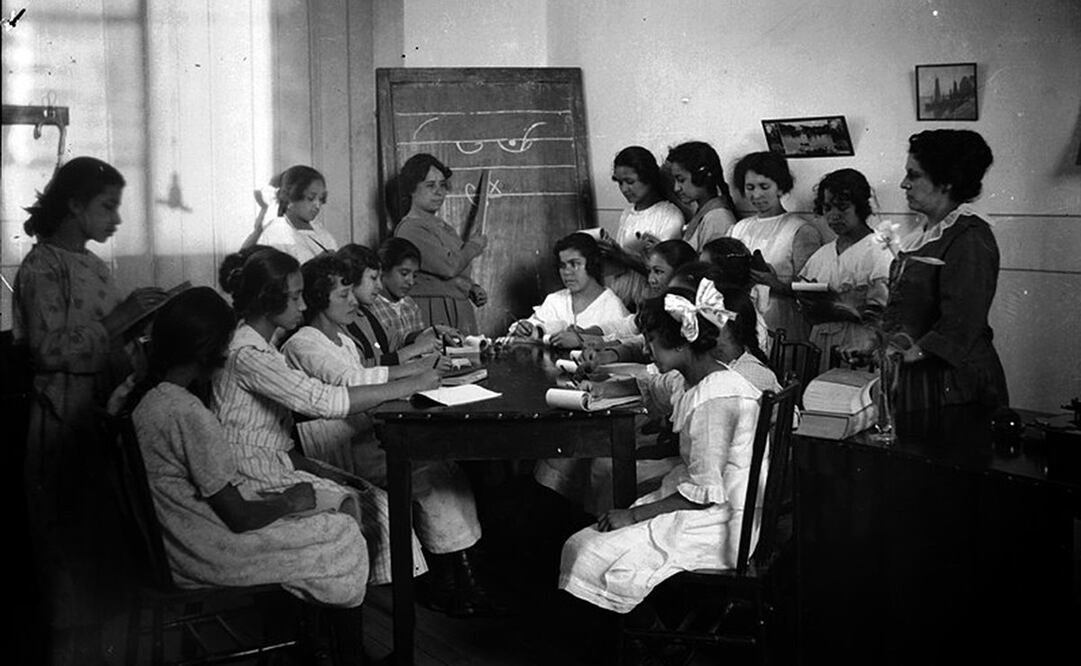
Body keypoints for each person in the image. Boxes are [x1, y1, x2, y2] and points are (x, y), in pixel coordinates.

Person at [281, 253, 498, 617]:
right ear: (318, 301)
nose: (354, 302)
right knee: (429, 476)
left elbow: (368, 375)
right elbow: (352, 381)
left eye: (352, 293)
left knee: (444, 470)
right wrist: (416, 375)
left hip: (358, 431)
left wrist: (419, 373)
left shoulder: (342, 341)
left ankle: (455, 578)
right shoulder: (304, 342)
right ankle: (451, 583)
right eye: (343, 296)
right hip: (331, 444)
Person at [13, 156, 166, 664]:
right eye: (107, 207)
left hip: (99, 420)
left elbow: (108, 341)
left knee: (104, 558)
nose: (116, 220)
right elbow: (47, 350)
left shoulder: (97, 266)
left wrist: (142, 334)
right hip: (61, 421)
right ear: (74, 204)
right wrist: (120, 319)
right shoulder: (41, 266)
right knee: (69, 564)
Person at [129, 286, 368, 610]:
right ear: (208, 350)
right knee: (341, 530)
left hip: (167, 544)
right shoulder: (189, 414)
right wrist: (288, 501)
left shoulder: (151, 400)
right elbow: (239, 517)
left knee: (317, 517)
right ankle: (336, 650)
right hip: (200, 552)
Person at [213, 246, 430, 587]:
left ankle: (360, 596)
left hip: (277, 461)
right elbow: (323, 401)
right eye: (296, 297)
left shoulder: (263, 347)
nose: (303, 305)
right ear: (270, 299)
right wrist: (415, 379)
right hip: (251, 474)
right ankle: (355, 607)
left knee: (373, 499)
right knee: (376, 507)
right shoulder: (250, 355)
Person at [559, 280, 763, 616]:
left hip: (721, 524)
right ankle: (650, 630)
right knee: (592, 541)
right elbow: (654, 384)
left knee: (585, 548)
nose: (646, 350)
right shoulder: (697, 377)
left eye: (652, 341)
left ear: (682, 344)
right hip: (709, 505)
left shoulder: (714, 401)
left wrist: (634, 515)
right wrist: (599, 387)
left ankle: (648, 638)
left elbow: (704, 494)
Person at [882, 129, 1008, 418]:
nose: (904, 184)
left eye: (914, 176)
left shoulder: (969, 235)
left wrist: (912, 353)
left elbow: (963, 320)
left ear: (946, 182)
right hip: (918, 375)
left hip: (953, 382)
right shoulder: (926, 234)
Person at [798, 169, 892, 373]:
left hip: (859, 343)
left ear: (860, 207)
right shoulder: (822, 254)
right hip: (822, 340)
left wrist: (841, 304)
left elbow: (885, 311)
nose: (833, 216)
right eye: (827, 207)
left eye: (842, 207)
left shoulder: (879, 250)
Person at [728, 151, 824, 342]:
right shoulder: (739, 228)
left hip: (784, 323)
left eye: (764, 186)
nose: (756, 195)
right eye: (750, 187)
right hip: (742, 321)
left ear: (780, 188)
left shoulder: (800, 230)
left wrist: (775, 284)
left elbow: (812, 292)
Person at [393, 153, 488, 334]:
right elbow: (449, 267)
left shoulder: (441, 226)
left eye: (442, 185)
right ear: (412, 189)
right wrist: (474, 246)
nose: (439, 192)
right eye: (430, 186)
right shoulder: (411, 228)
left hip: (455, 308)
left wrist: (470, 288)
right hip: (433, 311)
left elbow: (446, 275)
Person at [509, 232, 632, 349]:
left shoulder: (612, 306)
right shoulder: (555, 300)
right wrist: (525, 328)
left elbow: (625, 343)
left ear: (592, 264)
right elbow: (532, 325)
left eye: (574, 264)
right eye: (563, 266)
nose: (567, 272)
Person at [599, 146, 685, 309]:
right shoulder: (627, 214)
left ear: (649, 178)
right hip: (623, 299)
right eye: (620, 183)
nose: (624, 189)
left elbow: (665, 274)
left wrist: (622, 256)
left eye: (630, 182)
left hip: (651, 302)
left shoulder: (670, 215)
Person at [337, 243, 443, 367]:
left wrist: (423, 336)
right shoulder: (340, 322)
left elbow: (392, 341)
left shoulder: (364, 314)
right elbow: (360, 368)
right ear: (352, 278)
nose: (379, 286)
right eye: (373, 278)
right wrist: (412, 353)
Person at [247, 165, 339, 263]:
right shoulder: (276, 233)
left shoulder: (320, 230)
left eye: (321, 199)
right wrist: (315, 265)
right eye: (311, 198)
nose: (318, 205)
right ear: (290, 197)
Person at [665, 141, 738, 251]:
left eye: (681, 180)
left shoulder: (717, 218)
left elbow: (709, 267)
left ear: (700, 176)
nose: (676, 188)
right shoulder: (703, 213)